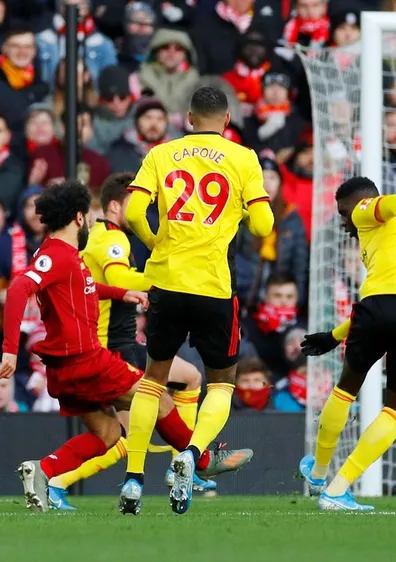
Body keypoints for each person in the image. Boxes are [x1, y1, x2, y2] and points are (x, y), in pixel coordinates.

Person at [0, 181, 248, 513]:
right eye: (87, 216)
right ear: (79, 218)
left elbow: (83, 287)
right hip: (86, 360)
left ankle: (44, 470)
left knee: (108, 433)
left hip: (62, 369)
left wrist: (121, 294)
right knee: (157, 398)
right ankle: (200, 461)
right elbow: (18, 288)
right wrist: (10, 350)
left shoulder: (60, 254)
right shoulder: (56, 255)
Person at [120, 86, 274, 515]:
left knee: (153, 381)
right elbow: (263, 227)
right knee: (221, 382)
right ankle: (190, 454)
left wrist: (156, 241)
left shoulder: (161, 153)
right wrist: (245, 210)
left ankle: (133, 480)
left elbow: (132, 212)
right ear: (226, 120)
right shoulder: (243, 158)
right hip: (214, 286)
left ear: (188, 118)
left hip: (167, 282)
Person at [297, 176, 396, 511]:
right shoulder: (386, 237)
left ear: (360, 202)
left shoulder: (367, 211)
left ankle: (320, 474)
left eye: (343, 212)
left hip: (377, 310)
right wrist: (333, 336)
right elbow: (392, 293)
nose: (344, 221)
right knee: (395, 411)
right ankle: (335, 488)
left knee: (345, 389)